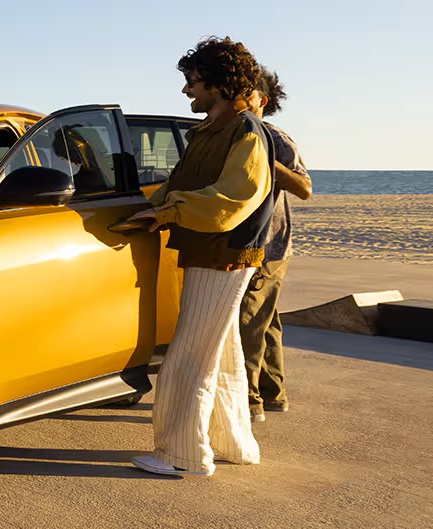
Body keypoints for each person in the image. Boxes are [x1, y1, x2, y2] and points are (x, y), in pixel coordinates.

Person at [125, 37, 274, 477]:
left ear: (220, 84)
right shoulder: (210, 129)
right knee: (220, 355)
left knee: (189, 358)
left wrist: (168, 211)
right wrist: (155, 207)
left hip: (223, 256)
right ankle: (234, 445)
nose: (186, 90)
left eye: (193, 81)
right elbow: (180, 182)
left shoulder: (246, 131)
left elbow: (230, 200)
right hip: (209, 253)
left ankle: (182, 456)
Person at [238, 70, 311, 424]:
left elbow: (305, 188)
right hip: (252, 244)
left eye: (245, 95)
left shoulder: (275, 139)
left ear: (261, 101)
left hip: (269, 247)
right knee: (266, 322)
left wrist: (268, 162)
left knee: (248, 321)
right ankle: (273, 393)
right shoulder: (233, 134)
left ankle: (250, 401)